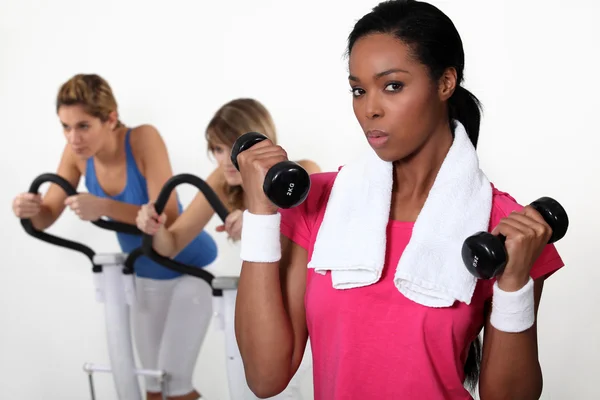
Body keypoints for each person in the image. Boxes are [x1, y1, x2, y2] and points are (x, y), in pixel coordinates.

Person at [231, 1, 566, 400]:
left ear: (445, 83)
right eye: (359, 90)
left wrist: (513, 284)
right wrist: (261, 214)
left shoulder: (507, 228)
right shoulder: (318, 204)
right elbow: (266, 377)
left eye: (392, 86)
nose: (369, 109)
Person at [11, 73, 218, 400]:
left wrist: (105, 206)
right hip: (146, 273)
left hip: (188, 268)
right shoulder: (76, 153)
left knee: (175, 389)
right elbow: (47, 215)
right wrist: (28, 208)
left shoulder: (142, 139)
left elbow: (170, 217)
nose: (73, 138)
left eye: (82, 126)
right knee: (153, 388)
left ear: (109, 117)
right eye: (65, 127)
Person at [135, 98, 320, 399]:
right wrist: (152, 226)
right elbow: (171, 245)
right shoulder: (221, 181)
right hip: (249, 301)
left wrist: (256, 218)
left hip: (296, 311)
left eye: (231, 148)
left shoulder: (301, 173)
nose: (224, 160)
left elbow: (300, 228)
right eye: (217, 150)